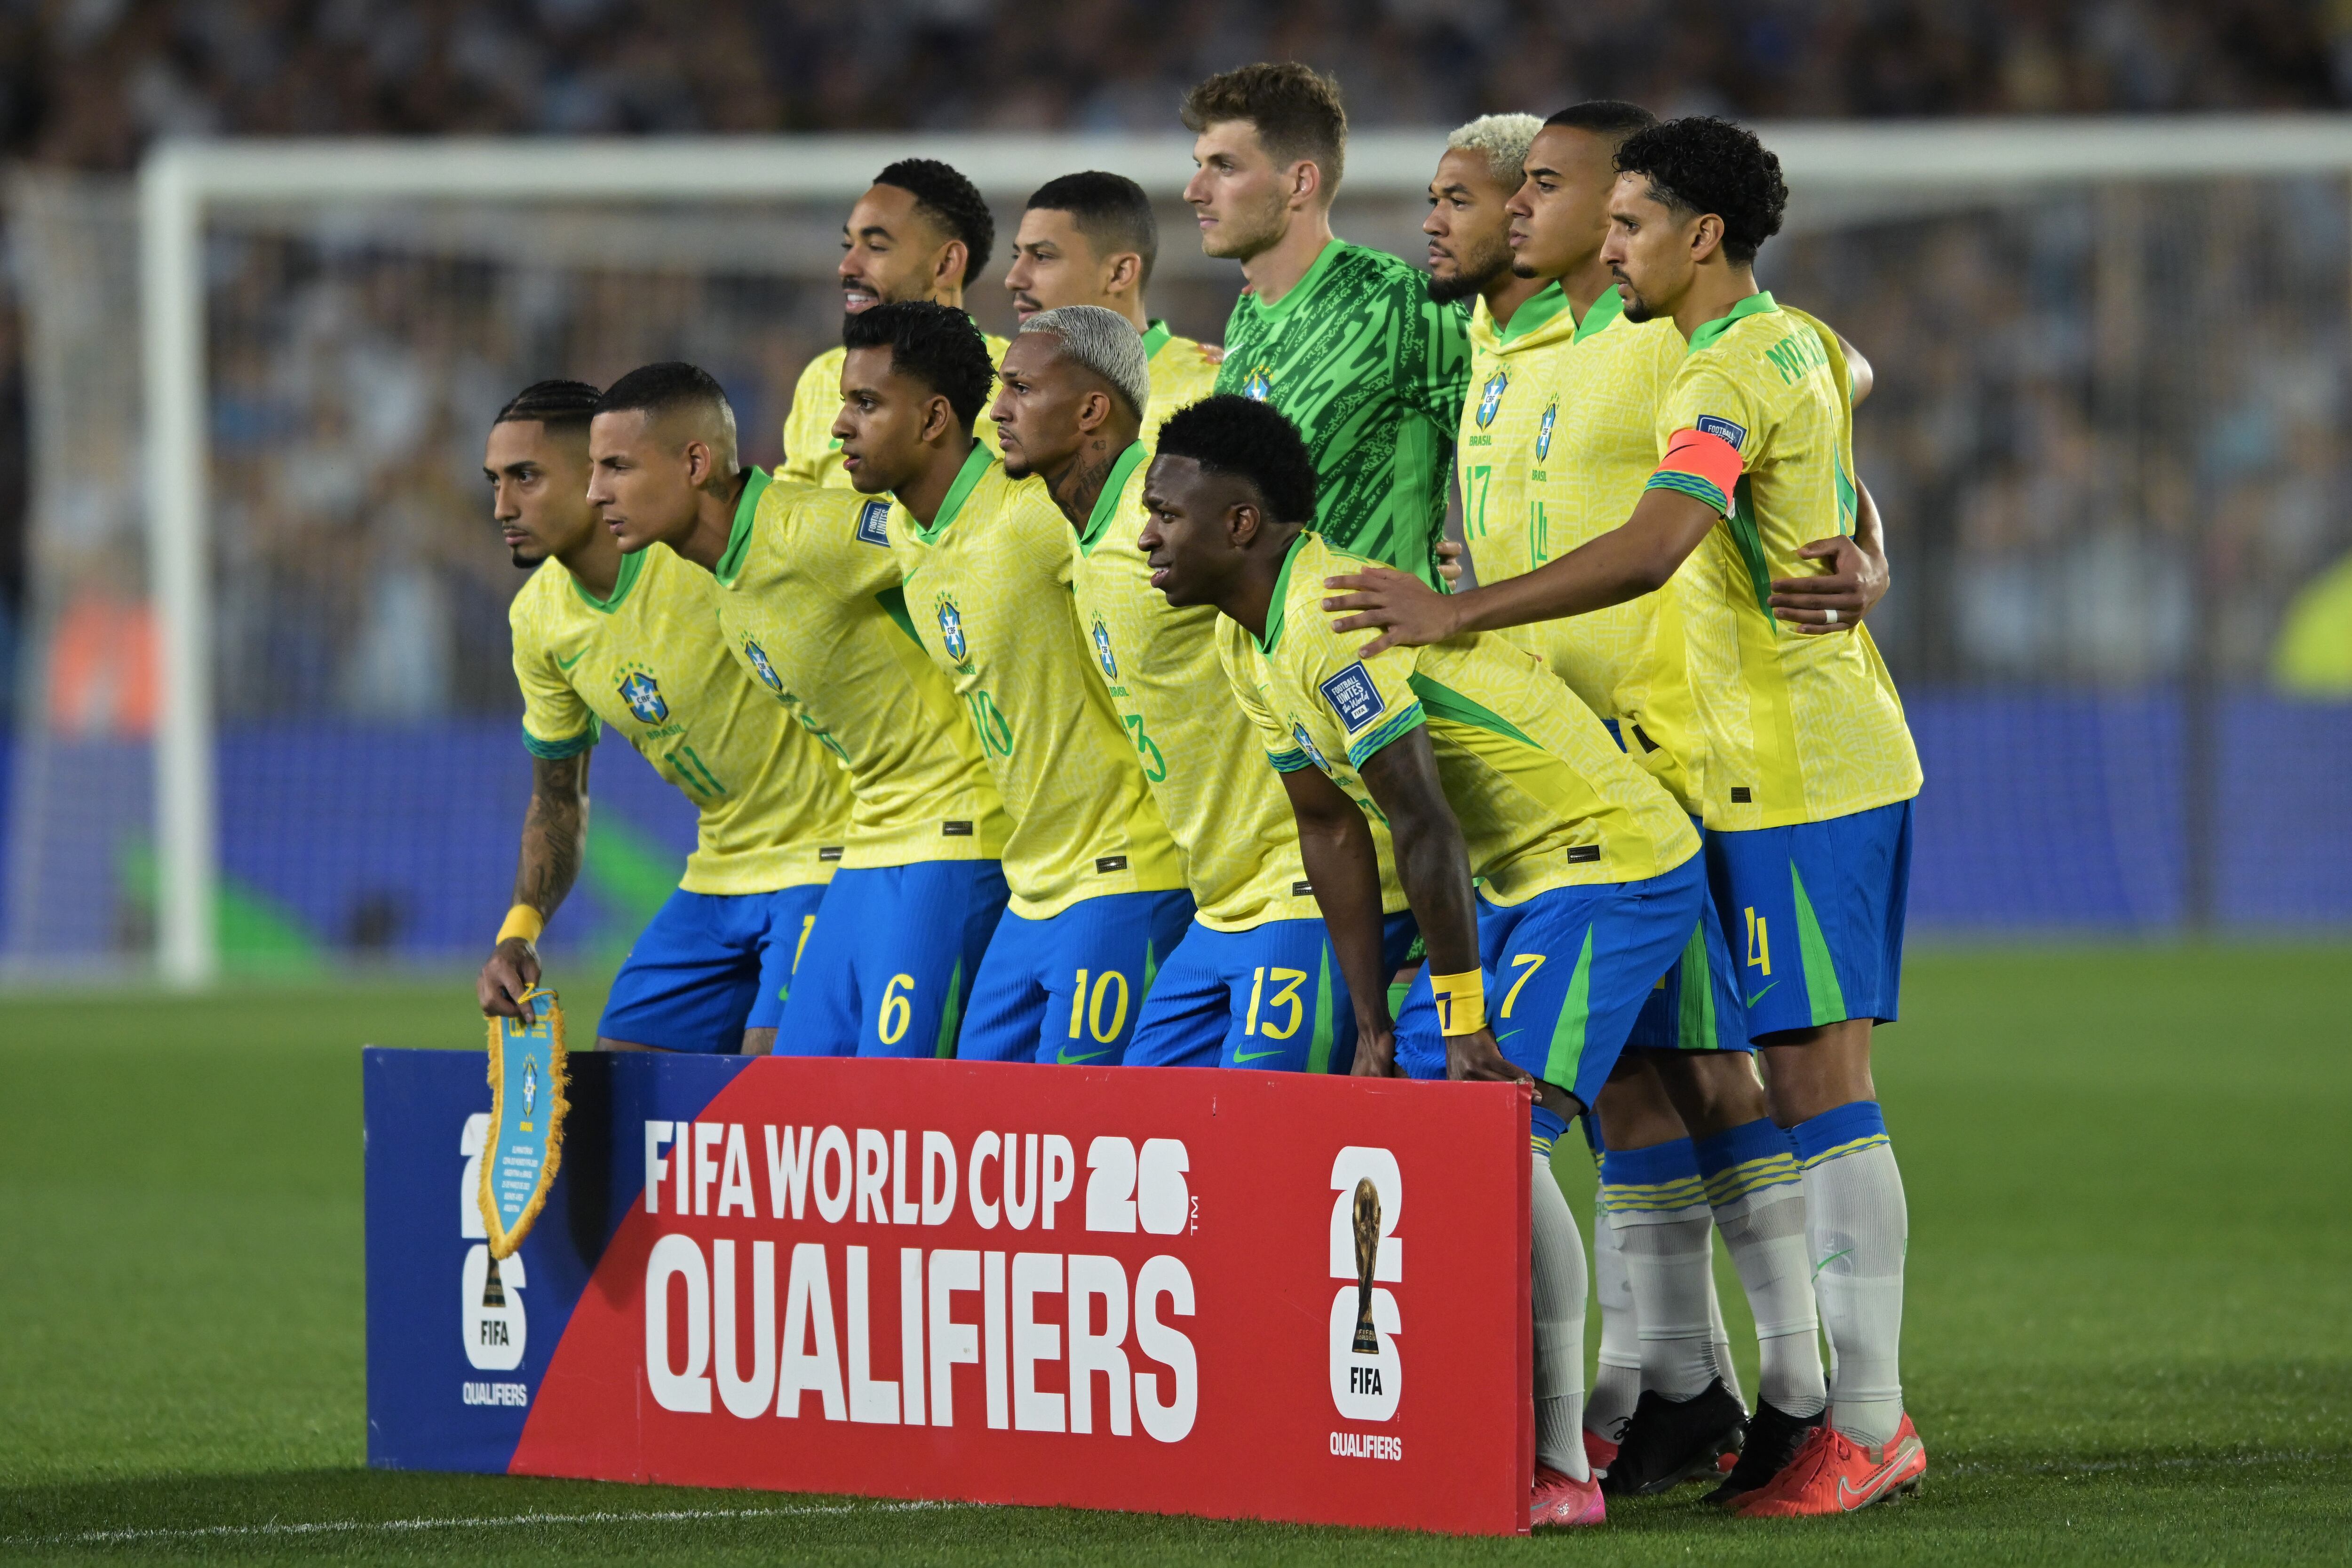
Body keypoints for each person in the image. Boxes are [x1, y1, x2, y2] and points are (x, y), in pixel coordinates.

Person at [1320, 117, 1927, 1517]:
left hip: (1772, 762)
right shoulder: (1514, 343)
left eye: (1557, 193)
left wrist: (1865, 546)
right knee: (1671, 1077)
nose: (1555, 223)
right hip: (1636, 766)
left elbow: (1810, 391)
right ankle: (1696, 1386)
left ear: (1660, 221)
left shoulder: (1695, 342)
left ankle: (1843, 1408)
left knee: (1792, 1082)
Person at [1145, 393, 1726, 1528]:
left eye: (1167, 513)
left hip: (1602, 858)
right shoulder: (1242, 642)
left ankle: (1557, 1463)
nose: (1146, 534)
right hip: (1513, 882)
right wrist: (1370, 1018)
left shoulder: (1324, 619)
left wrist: (1458, 1012)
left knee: (1493, 1134)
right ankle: (1461, 1422)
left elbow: (1421, 820)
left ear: (1242, 523)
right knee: (1408, 1128)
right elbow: (1329, 829)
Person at [996, 304, 1418, 1071]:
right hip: (1220, 901)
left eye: (1021, 388)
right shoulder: (1079, 530)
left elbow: (1295, 570)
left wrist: (1420, 582)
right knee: (1146, 1153)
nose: (998, 410)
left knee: (1261, 1166)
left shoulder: (1162, 519)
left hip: (1301, 892)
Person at [584, 361, 1015, 1059]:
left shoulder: (809, 530)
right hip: (873, 837)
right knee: (790, 1087)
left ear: (695, 462)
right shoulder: (729, 580)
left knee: (899, 1101)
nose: (595, 492)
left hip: (956, 829)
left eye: (616, 468)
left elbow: (963, 535)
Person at [837, 300, 1190, 1064]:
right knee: (984, 1138)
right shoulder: (906, 534)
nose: (841, 425)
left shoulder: (1039, 510)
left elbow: (1189, 525)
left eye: (865, 404)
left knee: (1085, 1140)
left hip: (1120, 872)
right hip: (1030, 890)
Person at [475, 379, 850, 1055]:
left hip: (831, 852)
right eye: (495, 482)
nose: (503, 505)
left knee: (770, 1075)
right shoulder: (537, 622)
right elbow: (558, 801)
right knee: (626, 1070)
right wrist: (520, 930)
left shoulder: (695, 551)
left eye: (526, 477)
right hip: (720, 869)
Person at [1182, 62, 1470, 586]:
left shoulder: (1396, 305)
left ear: (1299, 181)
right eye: (1199, 164)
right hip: (1279, 664)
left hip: (1376, 662)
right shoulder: (1247, 317)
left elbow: (1518, 438)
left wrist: (1472, 574)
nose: (1193, 190)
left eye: (1224, 167)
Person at [780, 158, 1008, 487]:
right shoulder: (822, 377)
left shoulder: (1016, 386)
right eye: (849, 246)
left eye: (875, 247)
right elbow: (787, 518)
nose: (846, 267)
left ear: (946, 264)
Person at [1004, 171, 1223, 447]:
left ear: (1120, 273)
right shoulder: (999, 401)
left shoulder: (1210, 392)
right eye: (1017, 256)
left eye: (1043, 257)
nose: (1014, 279)